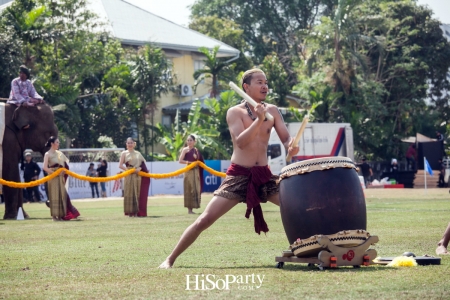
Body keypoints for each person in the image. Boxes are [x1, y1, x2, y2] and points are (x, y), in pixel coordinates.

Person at [159, 68, 299, 268]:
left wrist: (290, 146)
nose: (264, 85)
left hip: (264, 176)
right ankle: (169, 259)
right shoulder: (235, 112)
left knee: (296, 207)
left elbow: (286, 138)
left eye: (266, 82)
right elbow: (241, 142)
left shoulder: (273, 110)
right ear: (246, 87)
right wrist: (259, 120)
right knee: (205, 220)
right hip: (239, 175)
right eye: (259, 82)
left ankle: (310, 248)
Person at [43, 136, 80, 221]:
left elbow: (65, 165)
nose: (58, 144)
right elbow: (45, 167)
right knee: (54, 195)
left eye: (58, 142)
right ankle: (54, 216)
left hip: (60, 177)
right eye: (57, 142)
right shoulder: (47, 154)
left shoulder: (59, 153)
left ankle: (61, 216)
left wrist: (63, 172)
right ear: (52, 144)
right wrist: (54, 173)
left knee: (62, 195)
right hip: (53, 177)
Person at [118, 137, 150, 217]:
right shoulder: (124, 153)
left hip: (137, 176)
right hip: (129, 175)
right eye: (128, 143)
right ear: (126, 144)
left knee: (137, 192)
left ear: (134, 144)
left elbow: (142, 164)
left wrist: (139, 168)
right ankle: (130, 212)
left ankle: (137, 212)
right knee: (129, 192)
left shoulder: (138, 153)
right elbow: (120, 165)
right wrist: (128, 170)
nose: (130, 144)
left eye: (131, 143)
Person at [179, 135, 205, 214]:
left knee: (195, 189)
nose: (189, 142)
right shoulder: (185, 150)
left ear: (194, 141)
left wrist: (197, 165)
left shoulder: (196, 150)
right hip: (188, 172)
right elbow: (180, 160)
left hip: (195, 172)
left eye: (191, 140)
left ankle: (194, 207)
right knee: (189, 189)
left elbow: (200, 161)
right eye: (188, 140)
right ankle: (189, 210)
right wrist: (190, 163)